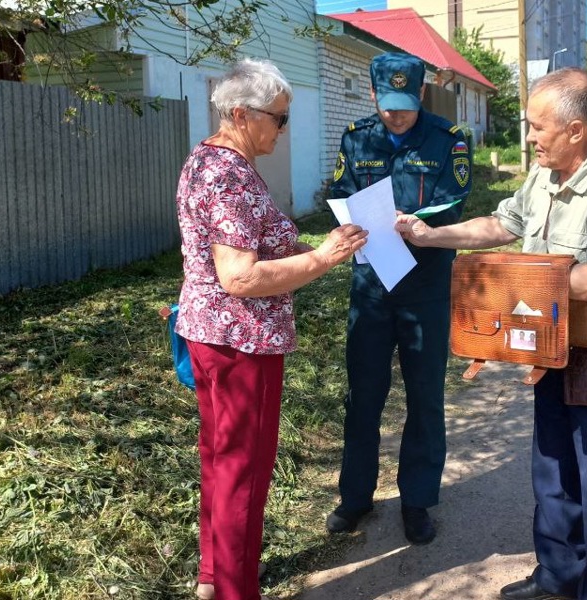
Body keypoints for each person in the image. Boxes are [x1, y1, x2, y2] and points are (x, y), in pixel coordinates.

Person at [395, 67, 587, 600]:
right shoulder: (545, 173)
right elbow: (503, 224)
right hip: (554, 336)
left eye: (538, 126)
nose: (530, 137)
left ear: (576, 129)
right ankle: (557, 578)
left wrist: (508, 279)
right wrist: (432, 237)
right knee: (553, 465)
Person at [174, 57, 367, 600]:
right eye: (278, 119)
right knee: (244, 471)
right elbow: (241, 277)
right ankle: (237, 590)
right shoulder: (229, 175)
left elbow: (256, 247)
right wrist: (325, 260)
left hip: (212, 335)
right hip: (242, 342)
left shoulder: (209, 160)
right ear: (240, 114)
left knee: (220, 459)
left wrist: (320, 246)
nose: (285, 129)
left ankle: (215, 576)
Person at [325, 52, 473, 545]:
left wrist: (421, 224)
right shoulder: (356, 136)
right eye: (388, 105)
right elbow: (342, 190)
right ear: (373, 96)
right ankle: (355, 496)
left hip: (426, 286)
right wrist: (345, 221)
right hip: (371, 287)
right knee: (363, 396)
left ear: (421, 94)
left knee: (425, 397)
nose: (397, 114)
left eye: (406, 105)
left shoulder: (447, 141)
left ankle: (417, 500)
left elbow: (456, 200)